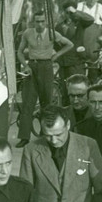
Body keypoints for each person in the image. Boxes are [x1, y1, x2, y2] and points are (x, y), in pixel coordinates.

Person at [17, 9, 73, 146]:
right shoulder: (28, 33)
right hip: (32, 67)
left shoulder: (52, 33)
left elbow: (70, 44)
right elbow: (19, 52)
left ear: (46, 22)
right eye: (37, 21)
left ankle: (45, 134)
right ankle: (24, 137)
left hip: (46, 67)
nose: (40, 24)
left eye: (42, 21)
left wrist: (56, 55)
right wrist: (25, 65)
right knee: (27, 102)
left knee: (46, 102)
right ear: (33, 22)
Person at [56, 0, 95, 80]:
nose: (69, 15)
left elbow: (90, 19)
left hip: (76, 61)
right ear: (63, 12)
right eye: (67, 12)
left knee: (77, 84)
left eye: (71, 13)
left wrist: (75, 12)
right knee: (63, 86)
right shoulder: (59, 26)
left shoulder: (80, 23)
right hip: (63, 62)